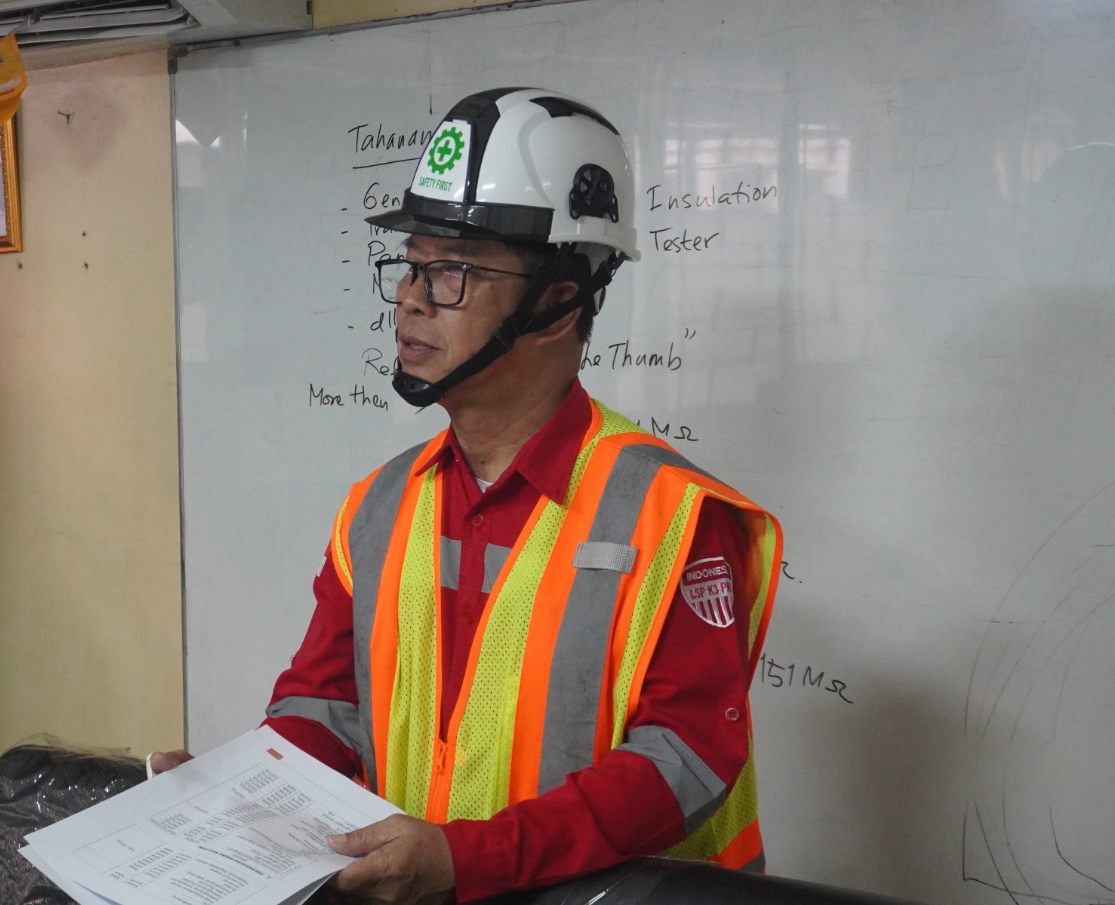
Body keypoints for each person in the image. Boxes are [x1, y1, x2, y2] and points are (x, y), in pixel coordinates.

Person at [151, 88, 783, 905]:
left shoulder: (675, 515)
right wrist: (238, 792)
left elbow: (682, 760)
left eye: (453, 271)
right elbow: (327, 703)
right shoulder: (381, 504)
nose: (411, 298)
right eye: (412, 266)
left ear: (558, 298)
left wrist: (470, 858)